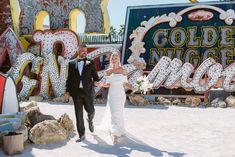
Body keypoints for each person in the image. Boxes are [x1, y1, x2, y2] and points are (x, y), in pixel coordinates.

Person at [95, 52, 133, 144]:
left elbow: (125, 83)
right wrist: (101, 84)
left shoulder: (123, 70)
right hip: (112, 94)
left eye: (115, 58)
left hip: (120, 94)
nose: (114, 60)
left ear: (118, 59)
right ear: (110, 60)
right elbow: (108, 84)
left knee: (119, 112)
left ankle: (119, 129)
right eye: (112, 58)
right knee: (113, 112)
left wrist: (133, 87)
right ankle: (114, 133)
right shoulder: (108, 71)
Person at [65, 44, 99, 142]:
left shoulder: (90, 62)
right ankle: (82, 135)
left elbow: (95, 76)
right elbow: (69, 79)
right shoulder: (71, 63)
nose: (84, 52)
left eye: (85, 51)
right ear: (78, 51)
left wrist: (97, 82)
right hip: (76, 92)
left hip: (88, 92)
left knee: (91, 110)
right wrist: (67, 91)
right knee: (78, 114)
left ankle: (90, 119)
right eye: (82, 50)